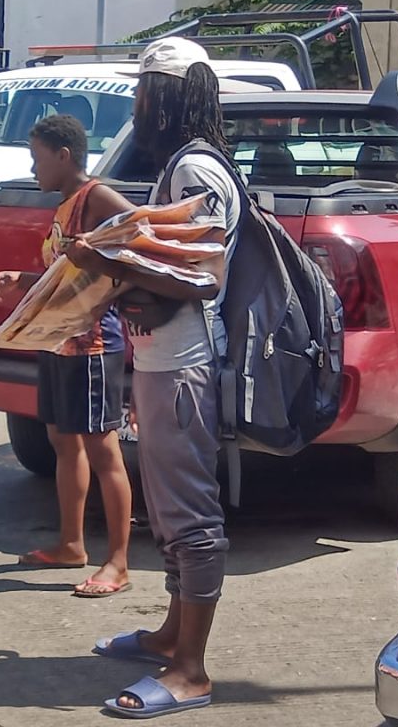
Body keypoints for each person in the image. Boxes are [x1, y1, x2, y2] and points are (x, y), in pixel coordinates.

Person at [65, 37, 238, 718]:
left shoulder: (196, 171)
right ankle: (171, 633)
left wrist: (112, 266)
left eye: (143, 92)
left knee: (190, 517)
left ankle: (191, 671)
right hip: (164, 361)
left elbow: (204, 275)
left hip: (184, 368)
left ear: (167, 97)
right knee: (166, 512)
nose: (136, 105)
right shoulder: (182, 166)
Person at [0, 115, 133, 597]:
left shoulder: (96, 198)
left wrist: (116, 281)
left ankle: (118, 561)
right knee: (62, 441)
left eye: (37, 159)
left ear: (63, 155)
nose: (34, 170)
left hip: (92, 347)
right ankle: (72, 544)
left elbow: (138, 239)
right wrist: (24, 282)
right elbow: (68, 274)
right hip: (58, 342)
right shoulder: (65, 206)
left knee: (103, 450)